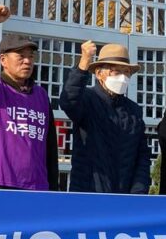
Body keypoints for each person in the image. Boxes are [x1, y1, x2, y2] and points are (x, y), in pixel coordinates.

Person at [0, 5, 58, 191]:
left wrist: (52, 189)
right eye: (20, 56)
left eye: (31, 56)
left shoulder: (40, 95)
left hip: (36, 187)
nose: (27, 61)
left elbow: (50, 147)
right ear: (3, 60)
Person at [60, 40, 150, 194]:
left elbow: (142, 156)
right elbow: (69, 101)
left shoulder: (133, 110)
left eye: (126, 72)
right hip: (88, 193)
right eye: (116, 71)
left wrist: (138, 193)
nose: (123, 77)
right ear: (99, 73)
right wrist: (83, 64)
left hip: (125, 198)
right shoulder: (87, 99)